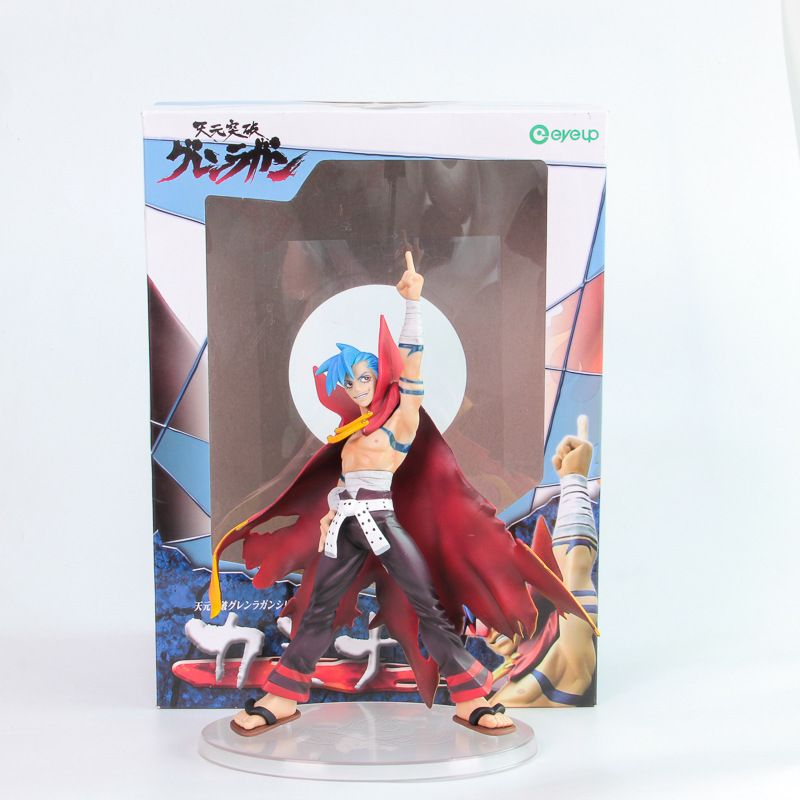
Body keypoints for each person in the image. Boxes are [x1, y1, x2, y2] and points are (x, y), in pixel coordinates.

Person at [209, 252, 597, 736]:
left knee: (427, 605)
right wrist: (328, 516)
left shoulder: (400, 423)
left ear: (380, 378)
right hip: (345, 529)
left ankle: (471, 698)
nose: (357, 387)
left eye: (365, 377)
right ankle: (282, 697)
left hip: (382, 524)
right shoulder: (349, 435)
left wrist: (413, 303)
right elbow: (340, 487)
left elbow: (412, 367)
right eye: (349, 381)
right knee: (317, 612)